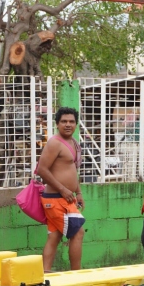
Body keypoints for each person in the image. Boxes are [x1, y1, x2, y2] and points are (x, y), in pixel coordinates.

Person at [37, 107, 85, 271]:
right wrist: (63, 189)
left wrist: (78, 192)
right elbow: (42, 170)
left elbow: (72, 171)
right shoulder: (54, 143)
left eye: (71, 121)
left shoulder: (74, 143)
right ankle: (76, 275)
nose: (68, 124)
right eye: (64, 121)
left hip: (65, 198)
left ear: (76, 124)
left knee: (55, 236)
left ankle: (45, 273)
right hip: (57, 198)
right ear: (57, 124)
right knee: (78, 233)